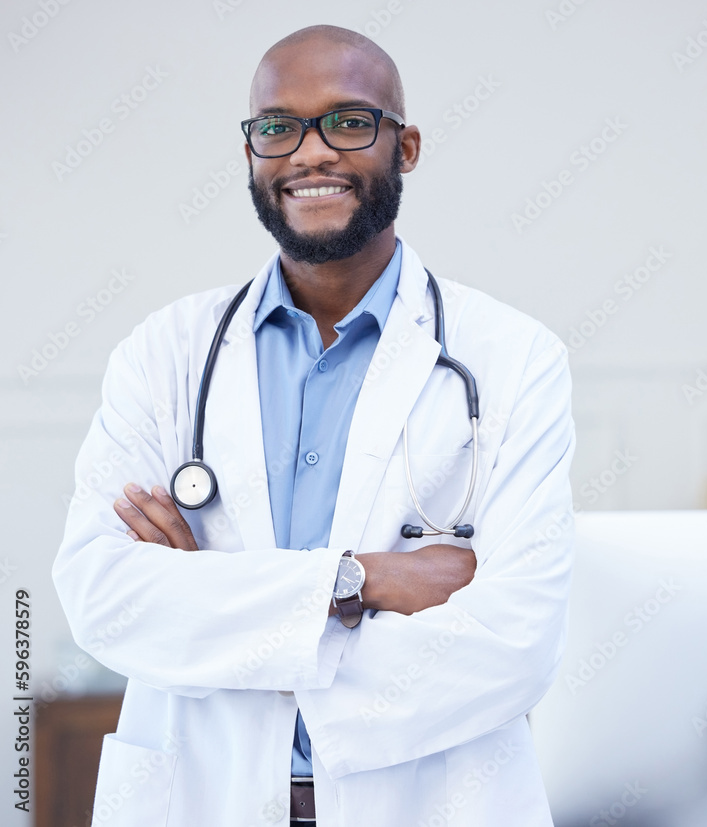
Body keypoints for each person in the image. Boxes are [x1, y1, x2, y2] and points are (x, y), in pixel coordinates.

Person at [53, 24, 575, 827]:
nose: (310, 153)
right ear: (253, 152)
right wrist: (356, 581)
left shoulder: (514, 358)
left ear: (406, 148)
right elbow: (104, 598)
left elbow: (515, 641)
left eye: (349, 121)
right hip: (201, 799)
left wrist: (211, 600)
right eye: (278, 128)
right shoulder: (164, 354)